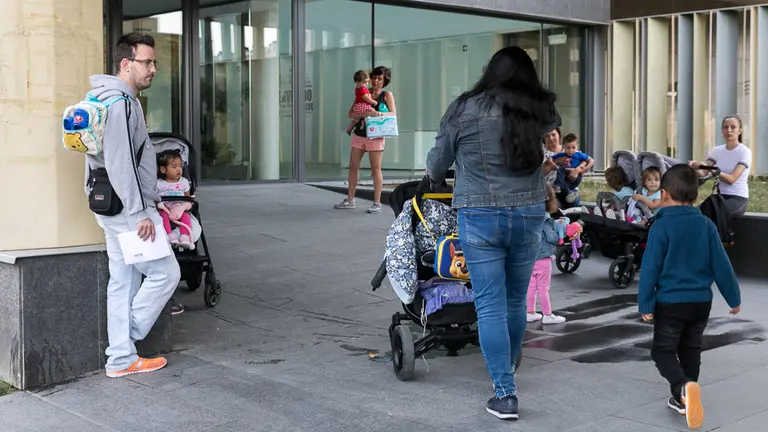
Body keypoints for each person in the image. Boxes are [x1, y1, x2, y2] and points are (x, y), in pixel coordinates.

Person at [425, 46, 560, 421]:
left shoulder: (464, 108)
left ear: (490, 71)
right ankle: (507, 371)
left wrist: (433, 178)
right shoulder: (535, 107)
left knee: (489, 304)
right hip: (529, 214)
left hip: (480, 215)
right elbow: (551, 125)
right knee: (516, 302)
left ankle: (505, 392)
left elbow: (438, 161)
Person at [85, 33, 181, 377]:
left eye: (154, 62)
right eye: (147, 62)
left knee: (122, 282)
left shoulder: (102, 99)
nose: (153, 69)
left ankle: (121, 359)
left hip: (107, 204)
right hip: (128, 209)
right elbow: (121, 162)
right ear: (126, 64)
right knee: (166, 273)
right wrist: (141, 212)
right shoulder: (120, 104)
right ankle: (127, 339)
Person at [638, 164, 741, 430]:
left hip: (671, 303)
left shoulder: (660, 227)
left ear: (663, 195)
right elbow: (722, 265)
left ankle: (682, 387)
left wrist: (645, 303)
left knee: (662, 350)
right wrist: (733, 298)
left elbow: (650, 269)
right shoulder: (705, 225)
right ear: (695, 198)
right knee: (690, 348)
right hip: (700, 303)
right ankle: (685, 397)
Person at [334, 66, 396, 214]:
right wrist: (364, 114)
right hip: (360, 134)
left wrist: (376, 113)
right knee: (353, 166)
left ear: (384, 81)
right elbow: (351, 113)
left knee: (376, 169)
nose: (376, 81)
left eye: (380, 79)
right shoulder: (363, 93)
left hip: (376, 135)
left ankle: (377, 202)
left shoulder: (386, 95)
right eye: (374, 77)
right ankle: (350, 199)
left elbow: (393, 114)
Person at [689, 115, 751, 217]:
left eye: (733, 127)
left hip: (738, 199)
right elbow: (704, 172)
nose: (729, 130)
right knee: (696, 213)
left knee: (712, 211)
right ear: (722, 130)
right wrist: (696, 166)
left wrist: (713, 170)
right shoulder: (717, 150)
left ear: (739, 131)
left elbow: (731, 179)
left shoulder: (744, 151)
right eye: (725, 127)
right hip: (720, 198)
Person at [526, 185, 566, 325]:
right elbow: (552, 238)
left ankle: (530, 312)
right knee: (543, 288)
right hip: (543, 258)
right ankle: (548, 314)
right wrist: (561, 231)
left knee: (531, 286)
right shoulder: (546, 218)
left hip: (530, 257)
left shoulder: (529, 216)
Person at [156, 150, 194, 250]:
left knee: (186, 216)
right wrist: (159, 204)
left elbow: (187, 197)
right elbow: (154, 198)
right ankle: (170, 235)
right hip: (165, 209)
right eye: (174, 167)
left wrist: (186, 205)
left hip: (179, 208)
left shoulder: (184, 182)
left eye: (180, 166)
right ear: (163, 169)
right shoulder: (159, 184)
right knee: (162, 216)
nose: (178, 169)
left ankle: (184, 236)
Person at [551, 133, 594, 207]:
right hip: (565, 176)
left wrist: (586, 168)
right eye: (568, 148)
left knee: (563, 174)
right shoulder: (562, 154)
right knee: (560, 171)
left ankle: (569, 191)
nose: (570, 150)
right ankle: (565, 190)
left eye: (573, 148)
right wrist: (553, 164)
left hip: (577, 175)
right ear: (563, 146)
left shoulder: (579, 154)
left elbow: (591, 160)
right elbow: (551, 158)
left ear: (577, 146)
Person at [345, 70, 379, 135]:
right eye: (364, 82)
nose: (366, 84)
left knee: (357, 120)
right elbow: (366, 98)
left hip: (358, 106)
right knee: (373, 111)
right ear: (357, 82)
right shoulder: (362, 89)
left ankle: (350, 127)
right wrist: (374, 102)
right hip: (363, 106)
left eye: (367, 82)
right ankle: (364, 125)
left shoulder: (357, 88)